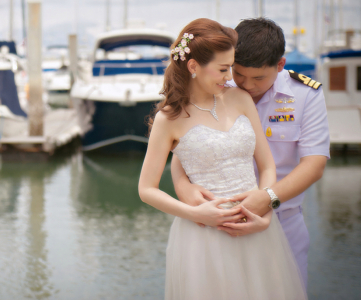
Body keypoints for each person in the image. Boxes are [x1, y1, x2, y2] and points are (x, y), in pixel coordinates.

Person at [138, 18, 306, 300]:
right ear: (193, 66)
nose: (229, 76)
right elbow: (146, 190)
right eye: (222, 69)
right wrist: (195, 213)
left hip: (257, 227)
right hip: (203, 236)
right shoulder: (169, 118)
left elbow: (266, 165)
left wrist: (264, 214)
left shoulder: (240, 98)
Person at [171, 17, 329, 288]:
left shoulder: (306, 96)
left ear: (280, 65)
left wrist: (267, 199)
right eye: (239, 73)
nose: (246, 84)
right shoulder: (218, 86)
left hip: (283, 218)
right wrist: (182, 186)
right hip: (217, 221)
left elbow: (314, 164)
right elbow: (185, 147)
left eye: (258, 77)